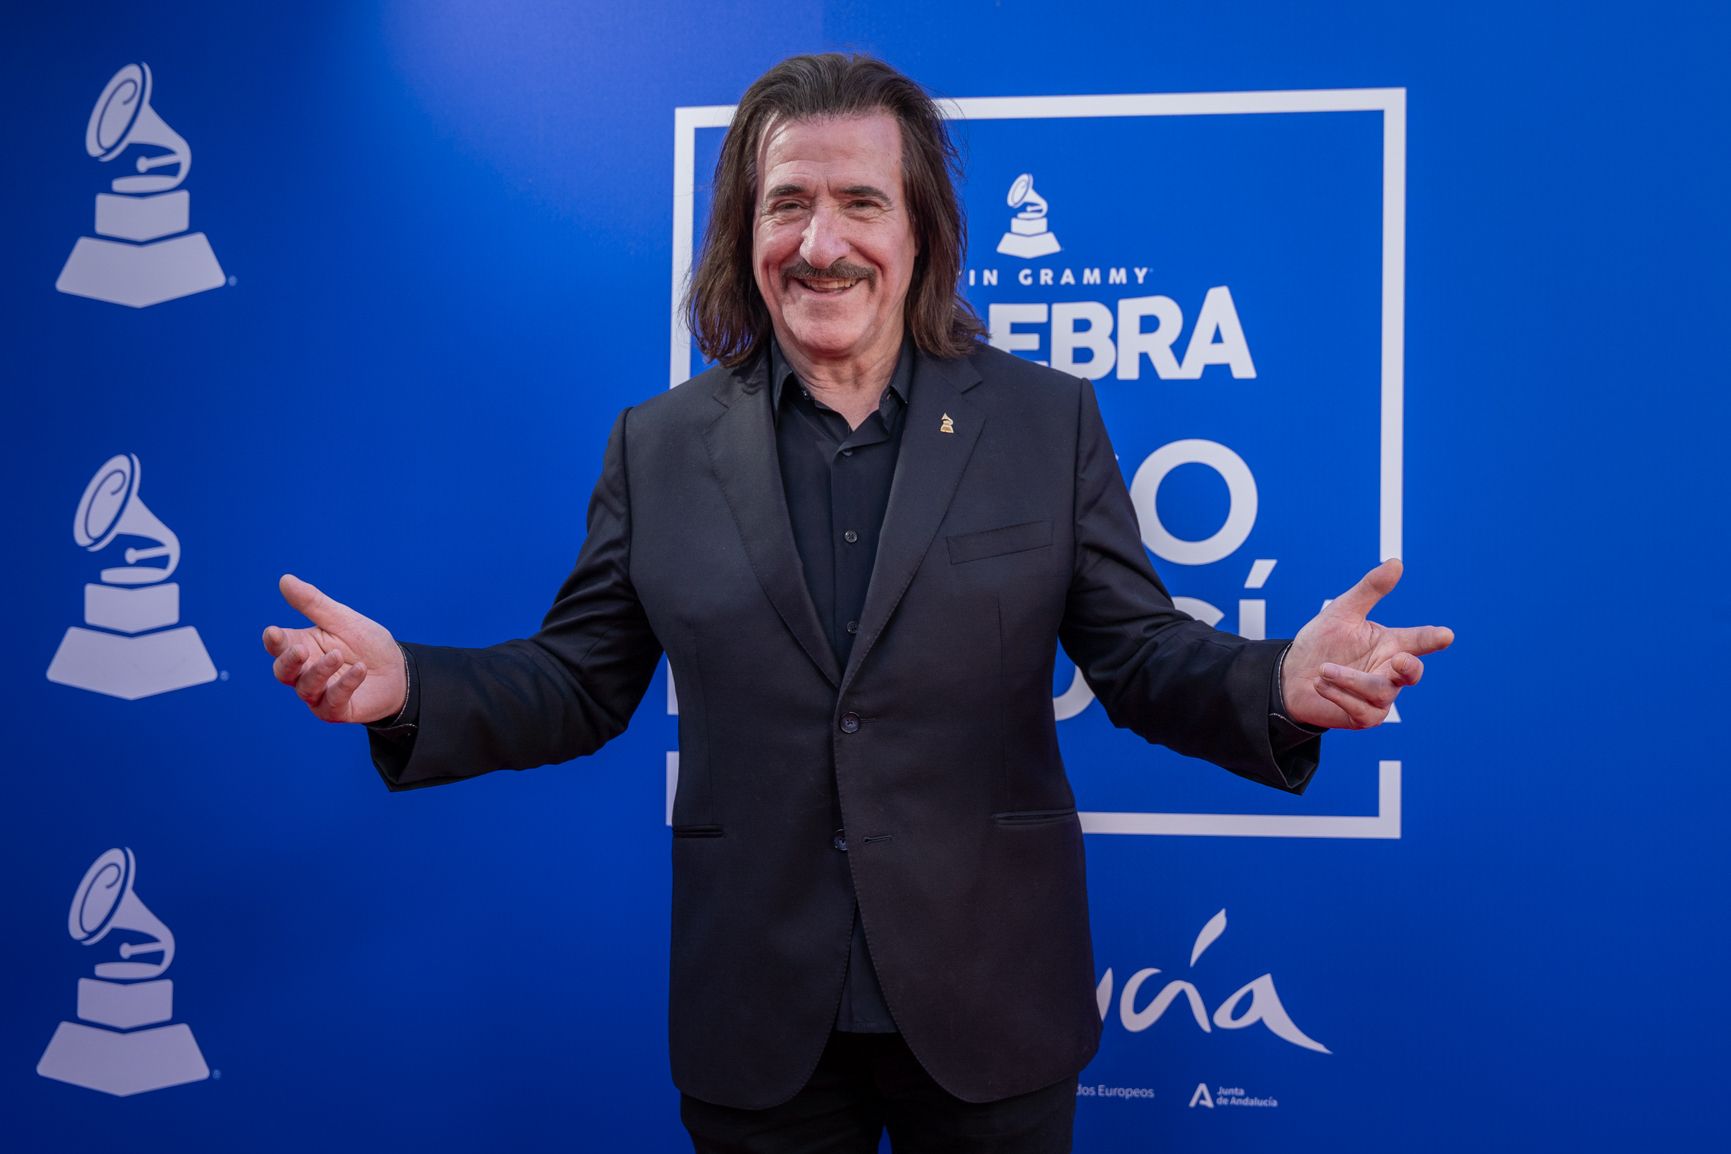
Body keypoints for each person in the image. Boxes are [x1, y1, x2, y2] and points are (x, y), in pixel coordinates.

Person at [262, 53, 1452, 1154]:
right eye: (786, 204)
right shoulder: (656, 447)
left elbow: (1140, 656)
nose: (820, 242)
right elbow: (577, 681)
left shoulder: (1045, 423)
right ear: (744, 231)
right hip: (757, 1012)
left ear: (921, 230)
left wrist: (1278, 680)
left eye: (860, 203)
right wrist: (410, 687)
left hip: (993, 999)